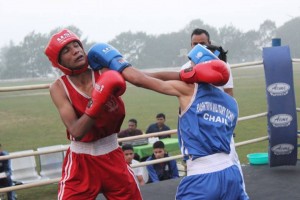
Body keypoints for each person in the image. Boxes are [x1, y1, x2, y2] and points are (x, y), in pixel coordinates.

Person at [87, 43, 249, 199]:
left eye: (192, 63)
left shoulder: (190, 90)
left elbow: (140, 80)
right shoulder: (232, 103)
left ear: (203, 66)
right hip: (231, 173)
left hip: (202, 176)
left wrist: (115, 60)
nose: (188, 66)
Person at [44, 29, 142, 200]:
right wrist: (97, 101)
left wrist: (184, 76)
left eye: (76, 45)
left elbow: (143, 78)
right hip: (81, 163)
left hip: (113, 156)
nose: (75, 50)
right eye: (66, 50)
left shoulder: (105, 73)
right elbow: (76, 131)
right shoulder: (59, 88)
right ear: (59, 62)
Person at [182, 28, 234, 96]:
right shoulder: (185, 68)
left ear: (209, 43)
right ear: (191, 45)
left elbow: (228, 91)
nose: (198, 46)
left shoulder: (223, 65)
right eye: (195, 44)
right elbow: (183, 95)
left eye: (202, 43)